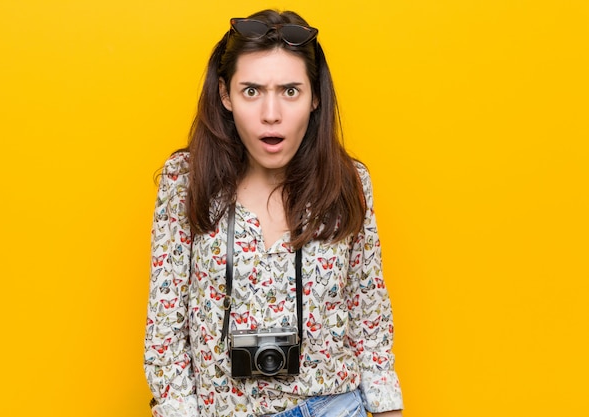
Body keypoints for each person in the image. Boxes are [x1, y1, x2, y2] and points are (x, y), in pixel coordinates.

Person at [144, 9, 404, 417]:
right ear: (225, 95)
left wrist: (388, 407)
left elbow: (368, 308)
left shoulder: (348, 182)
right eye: (251, 91)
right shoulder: (186, 181)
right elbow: (165, 324)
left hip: (334, 406)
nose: (271, 113)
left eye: (290, 91)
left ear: (315, 96)